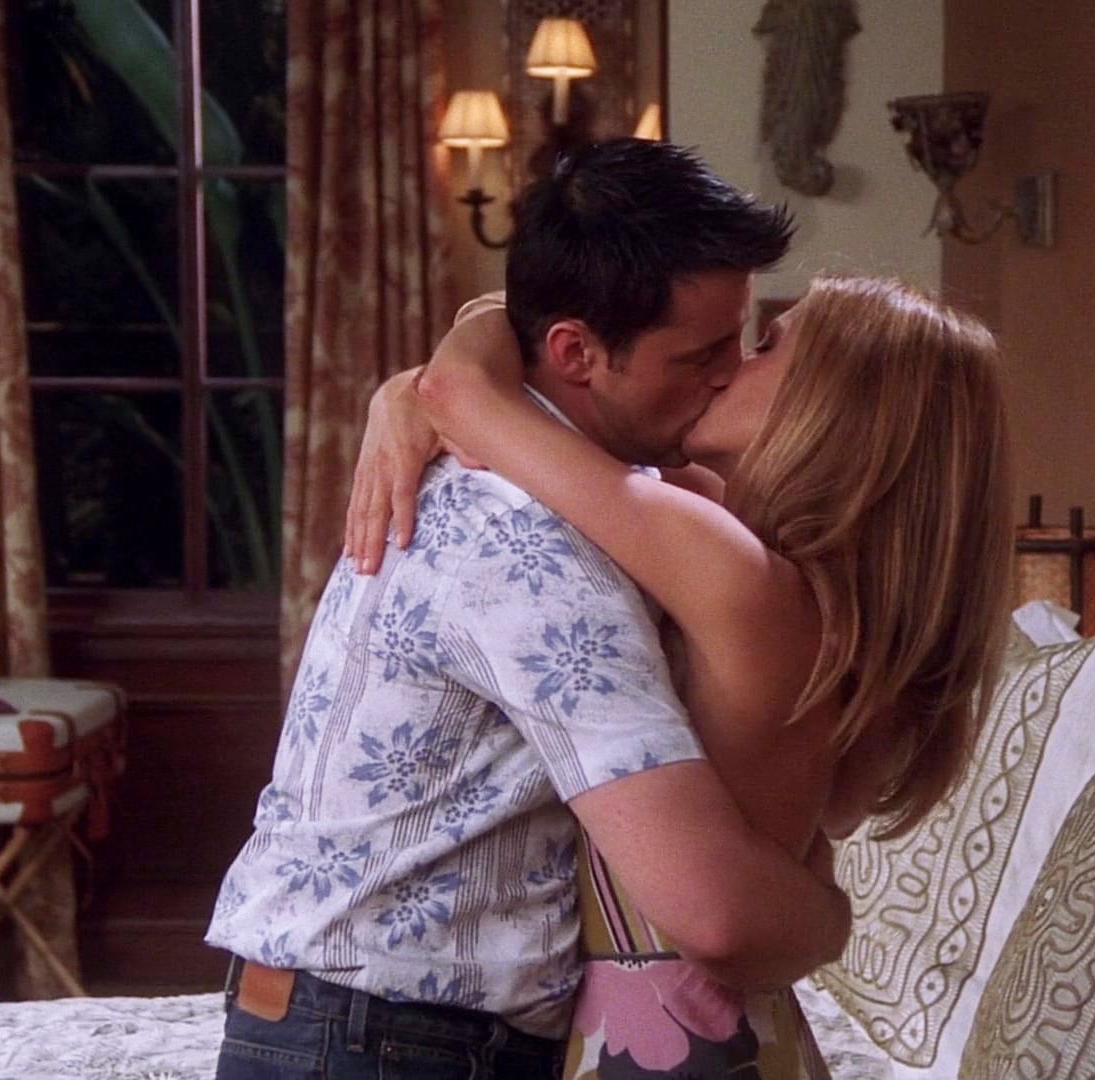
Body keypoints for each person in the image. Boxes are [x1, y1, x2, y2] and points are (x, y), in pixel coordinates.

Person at [206, 138, 852, 1080]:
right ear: (575, 352)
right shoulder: (534, 550)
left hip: (357, 1022)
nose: (726, 374)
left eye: (742, 342)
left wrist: (447, 368)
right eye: (701, 354)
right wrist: (832, 916)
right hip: (394, 1041)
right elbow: (713, 914)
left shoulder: (563, 483)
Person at [351, 272, 1015, 1077]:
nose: (728, 366)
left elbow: (463, 393)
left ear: (837, 407)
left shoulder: (730, 573)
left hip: (663, 1046)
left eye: (765, 346)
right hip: (738, 1038)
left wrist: (421, 387)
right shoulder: (840, 618)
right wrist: (410, 392)